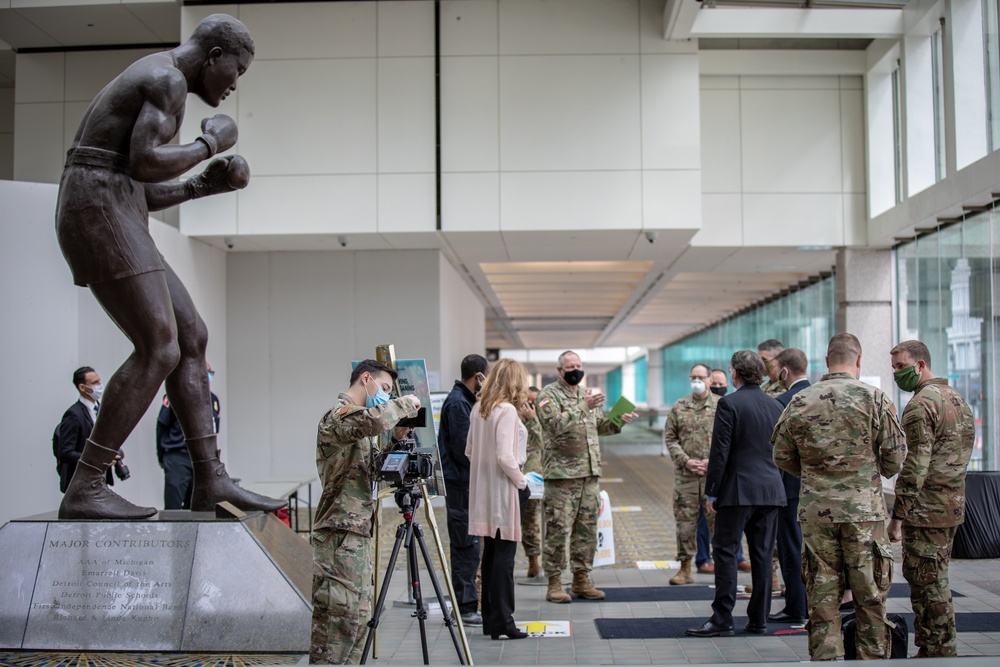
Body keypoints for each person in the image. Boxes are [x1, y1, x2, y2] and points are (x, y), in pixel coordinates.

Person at [54, 13, 282, 519]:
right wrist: (210, 146)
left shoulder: (164, 81)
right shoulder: (167, 79)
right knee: (159, 345)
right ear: (215, 55)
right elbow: (143, 163)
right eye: (236, 71)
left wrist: (205, 184)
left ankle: (210, 480)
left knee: (191, 336)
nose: (234, 85)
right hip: (96, 208)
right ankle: (86, 484)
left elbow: (139, 185)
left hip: (114, 204)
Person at [771, 333, 907, 661]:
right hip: (865, 514)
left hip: (817, 514)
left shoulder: (800, 401)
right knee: (870, 599)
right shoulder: (874, 399)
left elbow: (780, 454)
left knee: (822, 600)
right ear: (858, 360)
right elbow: (895, 458)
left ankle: (825, 659)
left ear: (827, 359)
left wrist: (817, 476)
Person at [310, 360, 420, 664]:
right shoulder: (338, 416)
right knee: (336, 625)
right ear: (366, 379)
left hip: (356, 535)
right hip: (337, 537)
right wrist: (405, 403)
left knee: (355, 623)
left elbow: (370, 472)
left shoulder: (361, 426)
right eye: (383, 388)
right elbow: (372, 421)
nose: (384, 395)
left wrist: (396, 441)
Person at [687, 351, 785, 638]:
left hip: (737, 492)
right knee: (763, 556)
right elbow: (782, 452)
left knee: (726, 552)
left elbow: (720, 452)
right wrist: (774, 482)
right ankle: (759, 619)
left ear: (735, 374)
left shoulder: (729, 403)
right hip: (770, 491)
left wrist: (712, 493)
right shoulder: (775, 405)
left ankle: (722, 619)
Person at [887, 340, 975, 658]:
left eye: (901, 366)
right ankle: (940, 644)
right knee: (936, 576)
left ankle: (937, 648)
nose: (897, 373)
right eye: (894, 368)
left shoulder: (921, 405)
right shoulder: (957, 399)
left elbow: (915, 465)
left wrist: (898, 515)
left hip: (926, 510)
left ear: (920, 365)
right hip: (952, 504)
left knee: (926, 581)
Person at [536, 350, 636, 603]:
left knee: (587, 531)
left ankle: (581, 580)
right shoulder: (548, 396)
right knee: (558, 531)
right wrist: (583, 407)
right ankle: (555, 583)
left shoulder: (585, 395)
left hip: (589, 475)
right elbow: (553, 426)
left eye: (579, 365)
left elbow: (598, 426)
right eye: (570, 366)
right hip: (561, 477)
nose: (575, 370)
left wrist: (618, 421)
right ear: (559, 371)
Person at [466, 358, 531, 640]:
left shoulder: (479, 408)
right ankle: (504, 621)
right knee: (504, 559)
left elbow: (470, 451)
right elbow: (506, 455)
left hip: (482, 491)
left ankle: (491, 620)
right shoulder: (506, 411)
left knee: (490, 556)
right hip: (504, 490)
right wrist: (522, 481)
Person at [437, 354, 489, 626]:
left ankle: (468, 604)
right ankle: (465, 607)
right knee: (465, 546)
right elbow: (463, 449)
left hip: (467, 484)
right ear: (479, 376)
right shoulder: (458, 404)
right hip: (461, 486)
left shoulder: (466, 401)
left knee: (469, 546)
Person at [664, 363, 719, 585]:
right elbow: (670, 438)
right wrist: (686, 461)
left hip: (713, 477)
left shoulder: (722, 406)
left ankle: (723, 567)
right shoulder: (679, 406)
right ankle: (685, 568)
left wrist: (711, 462)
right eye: (693, 377)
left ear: (709, 380)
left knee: (718, 523)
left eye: (700, 377)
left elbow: (729, 439)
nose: (696, 381)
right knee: (685, 524)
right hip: (686, 476)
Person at [766, 348, 810, 624]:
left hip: (789, 487)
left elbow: (776, 448)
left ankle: (796, 606)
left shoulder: (781, 401)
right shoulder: (821, 395)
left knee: (791, 548)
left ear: (784, 371)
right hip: (819, 487)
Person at [157, 363, 221, 509]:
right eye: (205, 371)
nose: (208, 375)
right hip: (178, 457)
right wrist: (161, 455)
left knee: (197, 506)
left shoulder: (213, 400)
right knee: (173, 507)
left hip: (202, 460)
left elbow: (215, 430)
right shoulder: (176, 393)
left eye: (210, 372)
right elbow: (161, 425)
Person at [54, 367, 120, 493]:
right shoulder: (73, 414)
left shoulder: (101, 410)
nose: (100, 386)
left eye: (99, 381)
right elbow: (66, 452)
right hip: (81, 485)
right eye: (94, 383)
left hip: (101, 481)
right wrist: (97, 459)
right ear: (82, 388)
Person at [519, 386, 544, 579]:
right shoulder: (515, 416)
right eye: (528, 401)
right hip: (520, 475)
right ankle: (532, 559)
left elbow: (544, 441)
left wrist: (534, 419)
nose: (530, 405)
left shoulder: (543, 417)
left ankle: (539, 560)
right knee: (526, 521)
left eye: (534, 401)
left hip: (542, 475)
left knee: (538, 520)